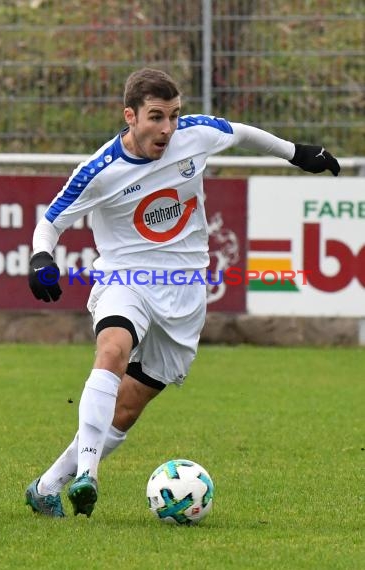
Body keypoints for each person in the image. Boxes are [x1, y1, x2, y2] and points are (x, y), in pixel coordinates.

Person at [25, 67, 340, 518]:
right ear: (129, 116)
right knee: (112, 349)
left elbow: (241, 132)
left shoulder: (195, 135)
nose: (168, 129)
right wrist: (41, 258)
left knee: (129, 407)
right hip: (126, 278)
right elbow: (51, 221)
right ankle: (88, 475)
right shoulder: (100, 170)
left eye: (174, 115)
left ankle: (47, 486)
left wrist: (297, 154)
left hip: (185, 289)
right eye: (156, 117)